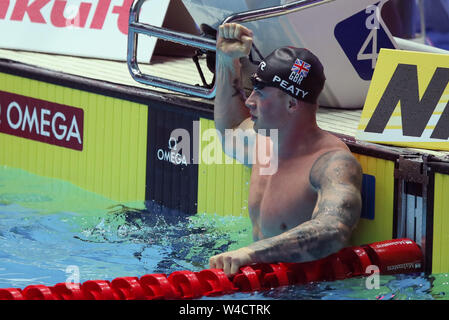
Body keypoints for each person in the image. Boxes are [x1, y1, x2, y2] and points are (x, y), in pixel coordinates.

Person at [209, 23, 363, 277]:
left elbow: (334, 229)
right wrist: (227, 61)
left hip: (308, 292)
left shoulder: (331, 163)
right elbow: (231, 127)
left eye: (259, 93)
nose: (249, 102)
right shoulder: (264, 143)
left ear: (292, 104)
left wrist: (251, 253)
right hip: (257, 286)